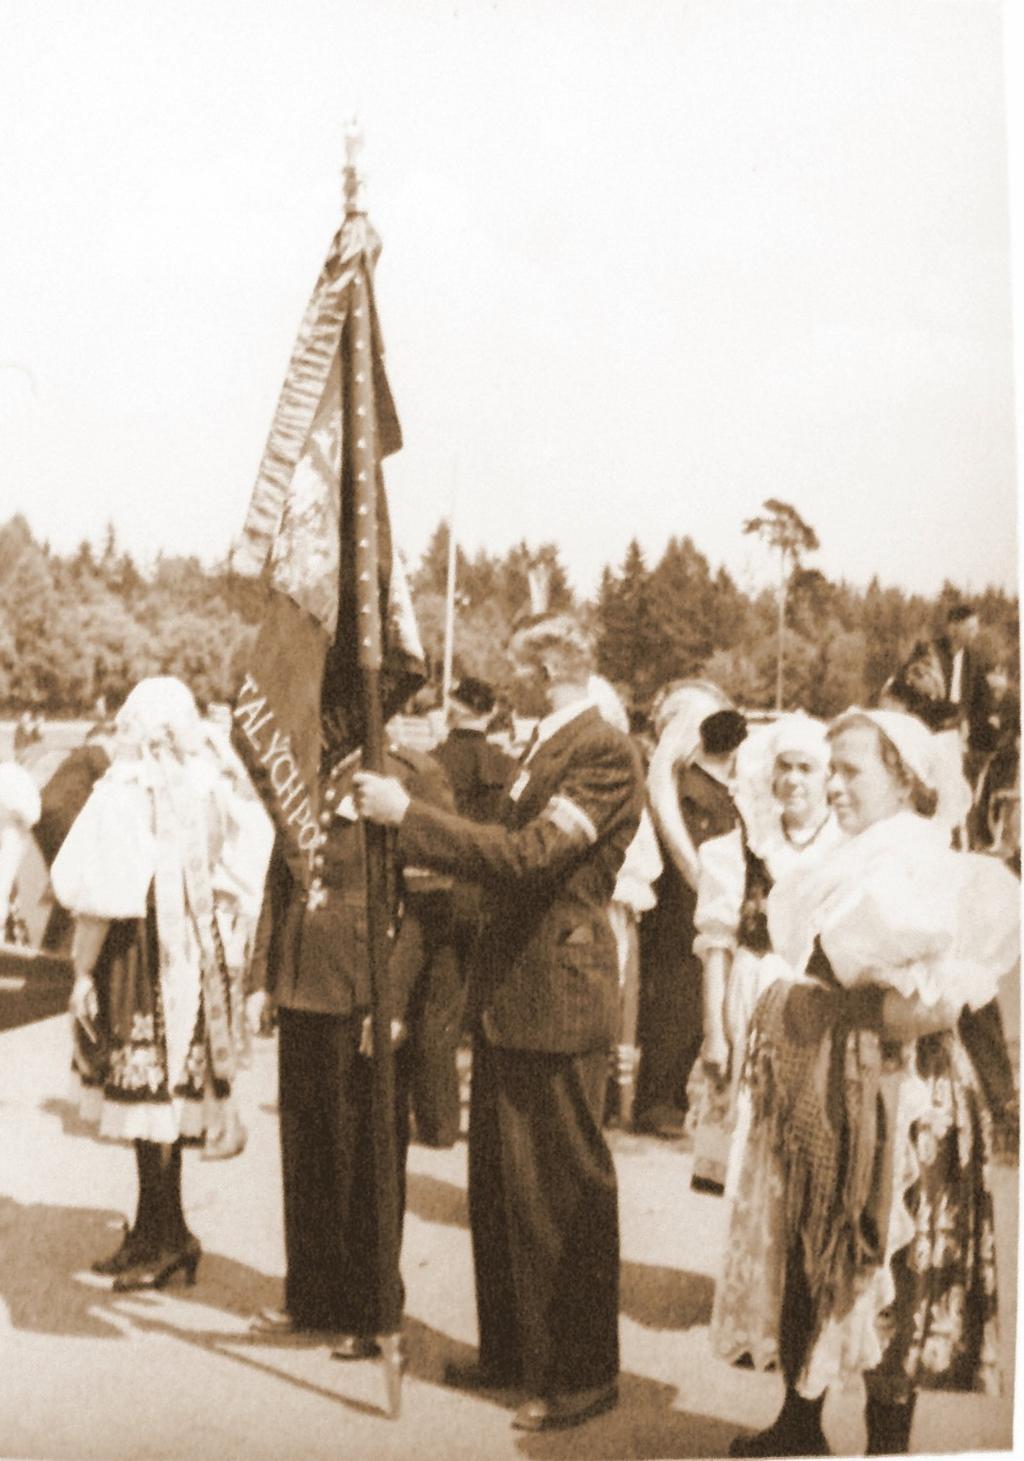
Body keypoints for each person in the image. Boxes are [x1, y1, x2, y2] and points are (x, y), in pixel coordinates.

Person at [354, 610, 645, 1433]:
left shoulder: (602, 750)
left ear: (550, 667)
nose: (502, 685)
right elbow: (504, 846)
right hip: (514, 992)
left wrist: (405, 814)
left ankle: (583, 1372)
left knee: (562, 1192)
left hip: (559, 990)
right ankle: (514, 1348)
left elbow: (529, 858)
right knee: (503, 1190)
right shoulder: (545, 749)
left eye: (516, 669)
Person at [713, 707, 1018, 1457]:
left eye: (851, 771)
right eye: (834, 768)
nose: (835, 786)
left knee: (891, 1264)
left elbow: (933, 1005)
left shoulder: (923, 864)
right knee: (815, 1244)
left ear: (906, 778)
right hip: (832, 1074)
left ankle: (887, 1445)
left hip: (901, 1096)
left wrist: (829, 1007)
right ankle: (799, 1423)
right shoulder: (859, 855)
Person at [247, 705, 455, 1354]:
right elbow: (278, 883)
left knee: (366, 1154)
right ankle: (310, 1291)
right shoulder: (299, 778)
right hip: (305, 981)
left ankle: (371, 1309)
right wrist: (264, 975)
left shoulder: (406, 777)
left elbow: (426, 907)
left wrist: (393, 998)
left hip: (364, 988)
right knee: (306, 1148)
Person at [50, 677, 250, 1291]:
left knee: (150, 1101)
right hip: (194, 949)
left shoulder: (124, 791)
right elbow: (236, 869)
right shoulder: (213, 784)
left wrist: (82, 969)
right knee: (166, 1102)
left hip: (137, 949)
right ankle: (160, 1228)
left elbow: (99, 893)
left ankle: (163, 1235)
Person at [690, 713, 843, 1192]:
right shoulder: (744, 847)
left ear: (827, 777)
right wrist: (715, 1031)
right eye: (785, 767)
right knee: (752, 1146)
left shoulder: (845, 847)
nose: (793, 780)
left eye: (806, 768)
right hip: (753, 994)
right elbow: (717, 946)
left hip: (818, 999)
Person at [633, 696, 745, 1138]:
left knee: (682, 1005)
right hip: (685, 911)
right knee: (675, 1008)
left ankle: (668, 1096)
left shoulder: (694, 786)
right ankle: (657, 1101)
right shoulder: (695, 790)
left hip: (690, 910)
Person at [413, 676, 515, 1147]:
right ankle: (493, 1124)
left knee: (440, 1010)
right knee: (494, 1008)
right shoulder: (507, 766)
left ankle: (439, 1124)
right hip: (493, 895)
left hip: (445, 894)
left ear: (453, 709)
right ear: (490, 713)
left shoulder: (432, 762)